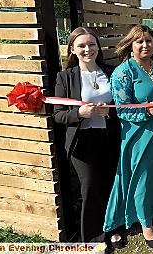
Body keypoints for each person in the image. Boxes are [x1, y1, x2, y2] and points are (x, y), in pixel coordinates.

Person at [103, 25, 153, 250]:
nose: (145, 45)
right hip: (139, 135)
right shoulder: (123, 72)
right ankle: (146, 223)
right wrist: (145, 110)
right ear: (131, 45)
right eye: (139, 42)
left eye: (148, 41)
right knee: (142, 179)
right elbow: (121, 109)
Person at [53, 27, 121, 248]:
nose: (87, 49)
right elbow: (58, 114)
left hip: (109, 137)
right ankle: (92, 239)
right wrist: (79, 114)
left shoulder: (111, 72)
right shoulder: (65, 77)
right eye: (81, 45)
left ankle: (112, 228)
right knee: (90, 188)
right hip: (82, 142)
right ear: (72, 49)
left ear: (98, 47)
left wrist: (110, 111)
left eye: (91, 44)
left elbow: (122, 104)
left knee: (111, 184)